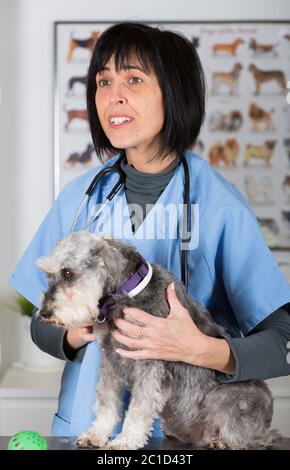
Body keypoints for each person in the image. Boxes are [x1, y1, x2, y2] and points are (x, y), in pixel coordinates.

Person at [9, 22, 290, 439]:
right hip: (90, 432)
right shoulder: (79, 199)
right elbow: (39, 320)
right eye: (103, 81)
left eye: (134, 79)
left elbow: (281, 343)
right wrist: (72, 332)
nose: (113, 95)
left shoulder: (219, 205)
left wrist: (201, 348)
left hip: (185, 434)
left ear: (173, 93)